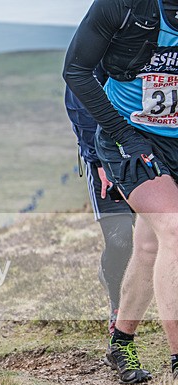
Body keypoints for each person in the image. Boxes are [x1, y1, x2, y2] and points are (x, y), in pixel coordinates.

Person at [64, 0, 178, 383]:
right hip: (129, 138)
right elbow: (76, 73)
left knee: (149, 246)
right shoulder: (125, 6)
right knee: (172, 229)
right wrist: (107, 147)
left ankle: (121, 341)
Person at [64, 85, 134, 333]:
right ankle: (117, 306)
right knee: (120, 240)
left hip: (154, 150)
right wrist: (96, 160)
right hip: (105, 156)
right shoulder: (91, 60)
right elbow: (78, 100)